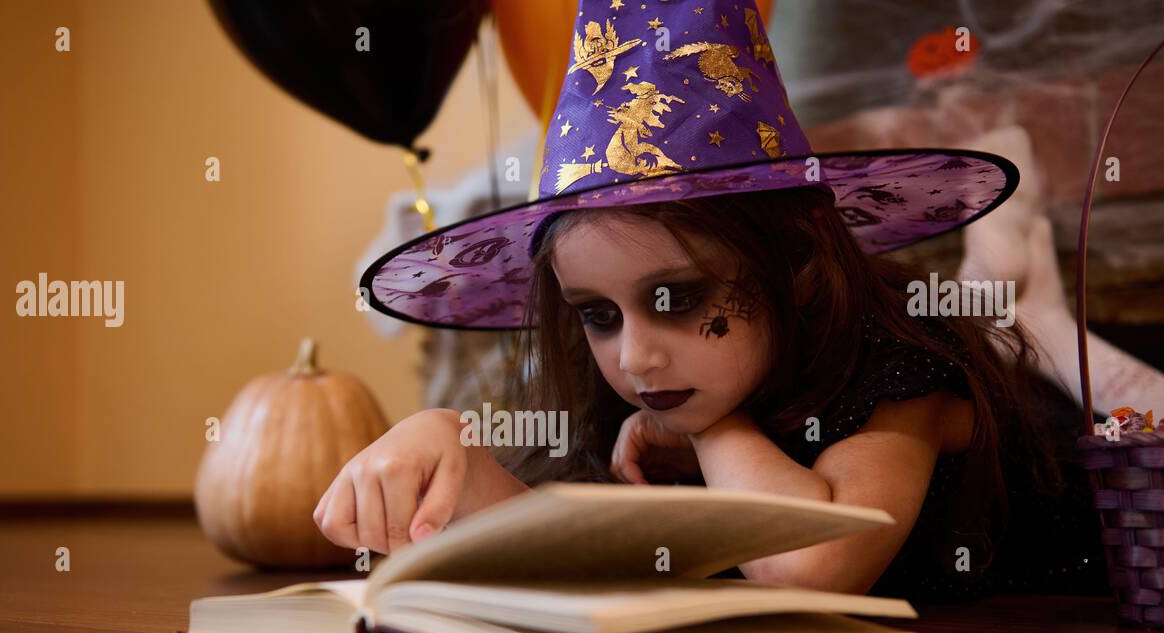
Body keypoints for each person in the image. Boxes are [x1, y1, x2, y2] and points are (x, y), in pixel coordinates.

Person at [317, 0, 1128, 601]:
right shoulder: (684, 396)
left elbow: (813, 566)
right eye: (599, 315)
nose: (635, 357)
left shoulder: (902, 372)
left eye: (676, 296)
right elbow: (571, 546)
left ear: (800, 263)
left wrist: (717, 429)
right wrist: (442, 447)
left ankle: (1034, 310)